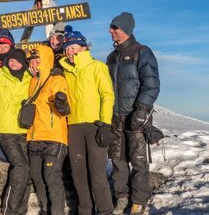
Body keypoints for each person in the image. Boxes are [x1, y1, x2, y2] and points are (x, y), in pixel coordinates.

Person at [106, 12, 160, 215]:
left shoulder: (142, 52)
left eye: (114, 28)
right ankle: (121, 198)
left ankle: (139, 201)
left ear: (125, 29)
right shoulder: (111, 57)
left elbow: (152, 85)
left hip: (136, 116)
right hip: (115, 117)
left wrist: (142, 110)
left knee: (138, 161)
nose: (110, 31)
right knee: (118, 160)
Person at [59, 26, 115, 215]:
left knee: (97, 174)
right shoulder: (65, 71)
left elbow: (107, 95)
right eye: (66, 48)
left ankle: (105, 211)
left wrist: (105, 124)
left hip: (95, 126)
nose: (69, 51)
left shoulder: (97, 67)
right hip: (73, 127)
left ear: (83, 47)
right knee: (78, 175)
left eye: (73, 47)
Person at [26, 45, 70, 215]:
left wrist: (62, 103)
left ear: (46, 61)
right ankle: (46, 210)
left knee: (51, 178)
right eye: (32, 61)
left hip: (54, 137)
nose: (34, 64)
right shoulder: (32, 81)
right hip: (34, 137)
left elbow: (65, 108)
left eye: (38, 60)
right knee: (37, 178)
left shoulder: (57, 80)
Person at [0, 49, 31, 214]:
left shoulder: (30, 79)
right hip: (5, 130)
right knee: (21, 166)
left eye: (17, 61)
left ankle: (21, 210)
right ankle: (9, 210)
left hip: (24, 129)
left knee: (27, 171)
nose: (13, 63)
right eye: (11, 60)